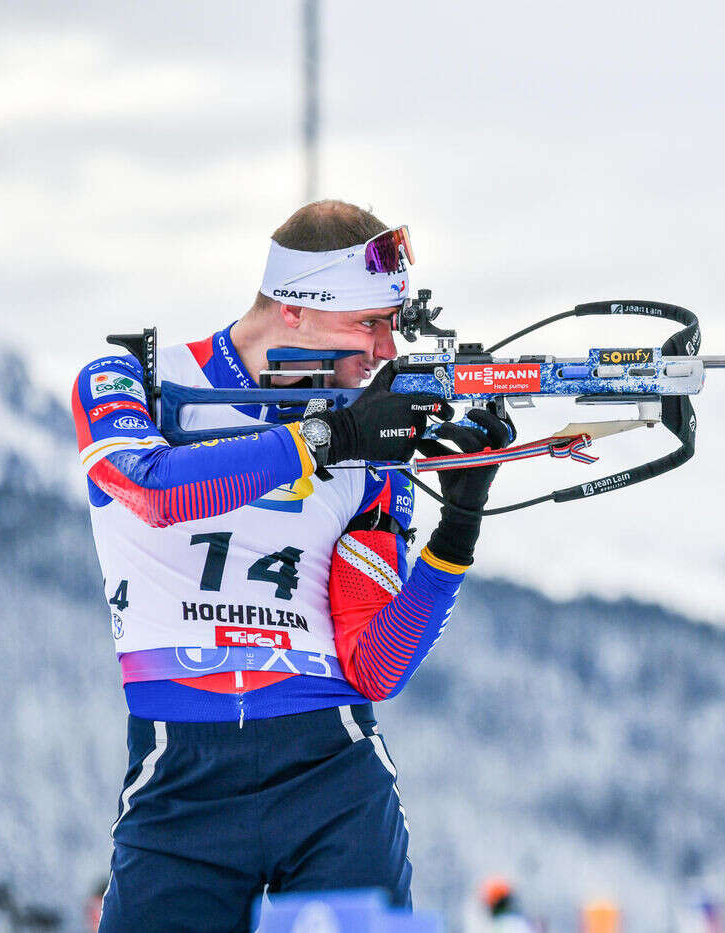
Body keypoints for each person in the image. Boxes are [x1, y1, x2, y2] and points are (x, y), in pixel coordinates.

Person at [73, 200, 511, 929]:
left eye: (394, 325)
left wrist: (456, 530)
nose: (385, 350)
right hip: (180, 778)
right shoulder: (135, 378)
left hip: (329, 767)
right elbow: (151, 490)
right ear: (294, 311)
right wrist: (327, 436)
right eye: (368, 322)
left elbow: (374, 663)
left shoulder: (372, 442)